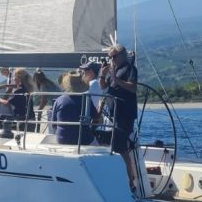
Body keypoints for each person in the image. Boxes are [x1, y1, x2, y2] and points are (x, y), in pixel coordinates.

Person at [99, 44, 138, 189]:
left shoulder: (130, 69)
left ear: (122, 55)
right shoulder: (112, 70)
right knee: (116, 145)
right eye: (109, 57)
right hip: (114, 112)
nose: (111, 59)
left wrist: (117, 79)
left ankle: (130, 181)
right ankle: (123, 177)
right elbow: (103, 87)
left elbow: (133, 88)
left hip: (125, 113)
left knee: (120, 147)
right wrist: (103, 75)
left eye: (113, 56)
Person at [48, 72, 95, 146]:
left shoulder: (59, 100)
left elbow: (53, 124)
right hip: (84, 140)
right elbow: (96, 119)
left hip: (62, 140)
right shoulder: (86, 100)